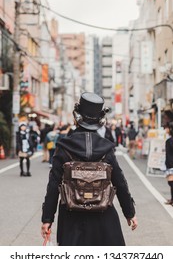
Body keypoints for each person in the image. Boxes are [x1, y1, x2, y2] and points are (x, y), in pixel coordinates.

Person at [41, 92, 137, 246]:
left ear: (76, 117)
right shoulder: (106, 148)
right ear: (101, 120)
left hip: (71, 217)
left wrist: (47, 219)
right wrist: (129, 212)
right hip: (103, 216)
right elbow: (120, 182)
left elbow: (53, 185)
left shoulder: (63, 147)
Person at [164, 122, 173, 205]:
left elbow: (168, 155)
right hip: (170, 164)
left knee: (171, 183)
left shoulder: (169, 141)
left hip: (170, 165)